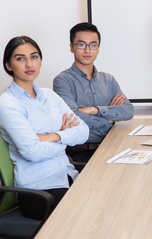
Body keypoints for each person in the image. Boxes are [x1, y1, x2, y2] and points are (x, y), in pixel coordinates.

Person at [0, 36, 89, 219]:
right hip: (39, 192)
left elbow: (84, 131)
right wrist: (65, 135)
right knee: (90, 213)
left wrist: (53, 136)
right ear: (9, 65)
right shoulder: (7, 103)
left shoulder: (50, 96)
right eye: (20, 58)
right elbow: (32, 151)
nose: (29, 64)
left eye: (34, 57)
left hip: (68, 176)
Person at [53, 22, 134, 160]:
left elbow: (128, 111)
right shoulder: (63, 80)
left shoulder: (108, 80)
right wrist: (109, 119)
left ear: (98, 48)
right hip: (82, 150)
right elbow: (72, 116)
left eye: (93, 45)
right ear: (71, 47)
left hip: (113, 144)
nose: (87, 51)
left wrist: (94, 109)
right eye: (81, 44)